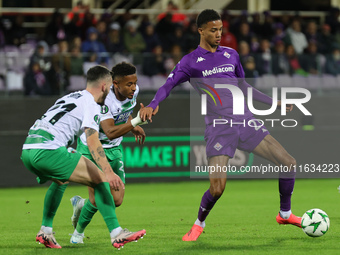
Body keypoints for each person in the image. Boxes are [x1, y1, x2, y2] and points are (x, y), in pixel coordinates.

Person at [140, 9, 301, 242]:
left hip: (245, 122)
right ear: (201, 30)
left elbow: (244, 87)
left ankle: (284, 214)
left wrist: (273, 103)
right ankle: (198, 223)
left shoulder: (231, 55)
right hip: (219, 128)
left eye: (221, 30)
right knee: (217, 188)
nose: (218, 34)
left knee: (288, 162)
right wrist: (154, 103)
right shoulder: (190, 62)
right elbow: (168, 84)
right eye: (213, 30)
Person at [20, 65, 146, 249]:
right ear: (104, 86)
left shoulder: (70, 97)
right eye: (110, 87)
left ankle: (45, 231)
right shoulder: (92, 104)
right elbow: (93, 141)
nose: (109, 92)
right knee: (99, 178)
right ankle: (117, 234)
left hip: (29, 149)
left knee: (60, 181)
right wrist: (108, 172)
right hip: (49, 150)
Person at [69, 62, 154, 244]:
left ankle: (80, 205)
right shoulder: (105, 100)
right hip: (94, 148)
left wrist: (132, 125)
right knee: (97, 195)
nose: (133, 88)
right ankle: (77, 235)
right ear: (115, 84)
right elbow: (109, 131)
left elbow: (123, 112)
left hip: (114, 149)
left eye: (135, 83)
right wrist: (137, 122)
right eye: (128, 84)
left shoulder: (133, 92)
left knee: (116, 200)